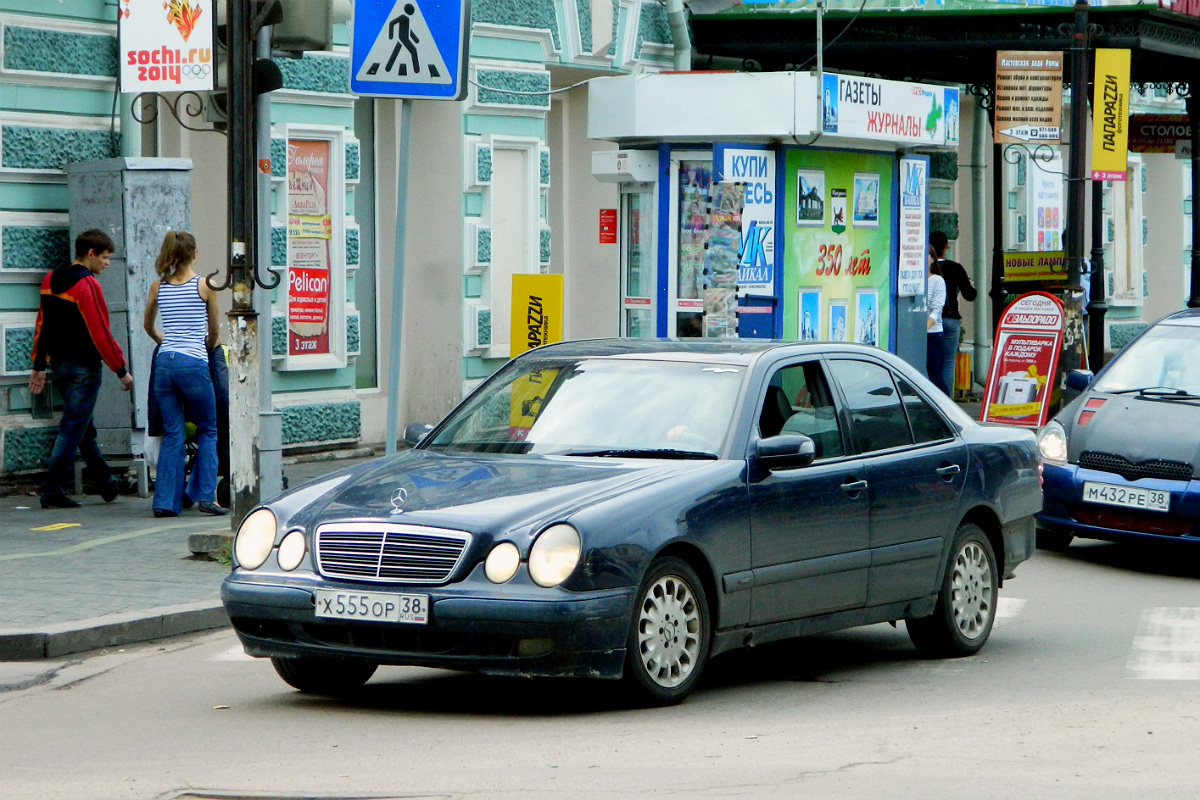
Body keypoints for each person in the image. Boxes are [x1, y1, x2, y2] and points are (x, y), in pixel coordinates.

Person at [29, 229, 133, 509]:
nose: (108, 263)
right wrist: (121, 369)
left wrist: (39, 366)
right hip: (84, 369)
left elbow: (43, 325)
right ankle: (52, 490)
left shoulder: (51, 279)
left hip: (60, 367)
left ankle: (107, 484)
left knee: (82, 428)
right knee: (72, 429)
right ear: (90, 254)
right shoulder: (87, 285)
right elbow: (99, 332)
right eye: (105, 257)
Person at [143, 230, 227, 517]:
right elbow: (214, 331)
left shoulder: (158, 286)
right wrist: (206, 344)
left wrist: (163, 341)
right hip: (193, 362)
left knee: (173, 433)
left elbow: (148, 326)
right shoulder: (206, 285)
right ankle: (207, 497)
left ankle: (165, 502)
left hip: (164, 363)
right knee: (208, 429)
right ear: (194, 253)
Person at [930, 231, 977, 395]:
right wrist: (970, 285)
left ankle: (931, 398)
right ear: (946, 246)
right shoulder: (955, 268)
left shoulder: (927, 268)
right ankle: (946, 400)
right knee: (948, 362)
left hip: (930, 320)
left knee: (930, 360)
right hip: (951, 319)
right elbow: (970, 295)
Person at [926, 254, 949, 395]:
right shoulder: (913, 279)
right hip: (915, 334)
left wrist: (925, 327)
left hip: (933, 334)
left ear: (933, 259)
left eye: (926, 255)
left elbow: (937, 308)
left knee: (935, 377)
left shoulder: (937, 280)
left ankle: (947, 409)